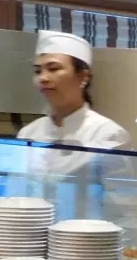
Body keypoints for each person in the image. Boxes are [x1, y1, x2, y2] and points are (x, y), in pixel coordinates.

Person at [17, 31, 129, 172]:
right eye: (38, 71)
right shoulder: (28, 133)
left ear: (84, 77)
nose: (43, 78)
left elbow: (117, 186)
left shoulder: (107, 134)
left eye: (53, 69)